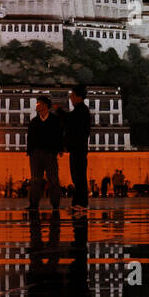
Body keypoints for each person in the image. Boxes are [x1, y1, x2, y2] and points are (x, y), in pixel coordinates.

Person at [27, 96, 64, 211]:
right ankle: (34, 204)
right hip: (36, 154)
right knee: (35, 180)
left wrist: (60, 149)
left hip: (50, 153)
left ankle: (55, 204)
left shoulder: (55, 120)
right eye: (37, 103)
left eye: (40, 103)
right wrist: (30, 151)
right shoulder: (34, 121)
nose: (38, 105)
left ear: (46, 106)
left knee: (53, 179)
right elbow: (30, 137)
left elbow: (59, 135)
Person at [64, 84, 92, 212]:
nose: (70, 97)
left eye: (73, 95)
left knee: (79, 177)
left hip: (78, 148)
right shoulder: (80, 110)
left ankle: (82, 203)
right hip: (77, 148)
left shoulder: (82, 110)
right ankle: (77, 203)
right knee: (76, 177)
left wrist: (59, 112)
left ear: (79, 97)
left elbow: (70, 121)